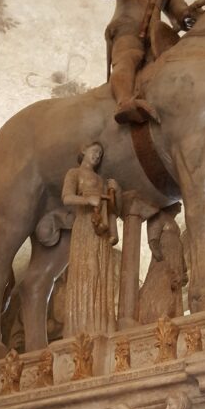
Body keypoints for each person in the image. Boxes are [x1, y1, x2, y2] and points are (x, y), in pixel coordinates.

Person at [62, 143, 119, 337]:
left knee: (101, 271)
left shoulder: (100, 179)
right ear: (84, 150)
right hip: (85, 225)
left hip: (100, 229)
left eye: (100, 154)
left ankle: (100, 324)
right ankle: (81, 326)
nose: (97, 156)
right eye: (95, 151)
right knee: (87, 269)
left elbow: (112, 209)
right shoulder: (74, 173)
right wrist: (87, 200)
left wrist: (112, 194)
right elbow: (67, 197)